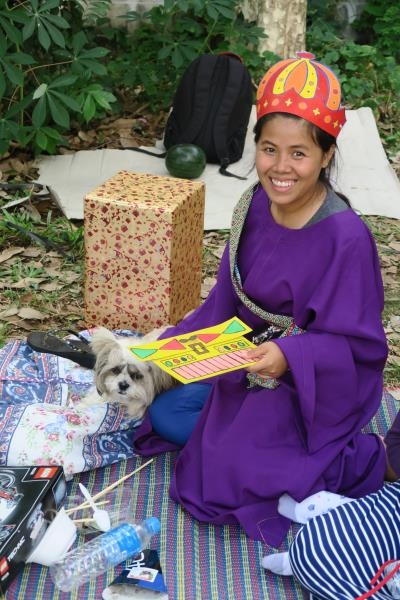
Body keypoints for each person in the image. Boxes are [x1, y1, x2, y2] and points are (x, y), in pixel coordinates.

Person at [133, 51, 392, 547]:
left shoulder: (346, 239)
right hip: (245, 357)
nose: (281, 168)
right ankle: (250, 439)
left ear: (326, 155)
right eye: (269, 149)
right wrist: (171, 347)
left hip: (314, 383)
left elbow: (359, 349)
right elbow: (227, 298)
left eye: (299, 153)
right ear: (255, 146)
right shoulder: (253, 204)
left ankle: (365, 458)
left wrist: (288, 356)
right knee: (164, 414)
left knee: (230, 466)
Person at [262, 483, 400, 599]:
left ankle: (290, 558)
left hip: (311, 538)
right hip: (334, 577)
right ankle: (292, 564)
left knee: (345, 506)